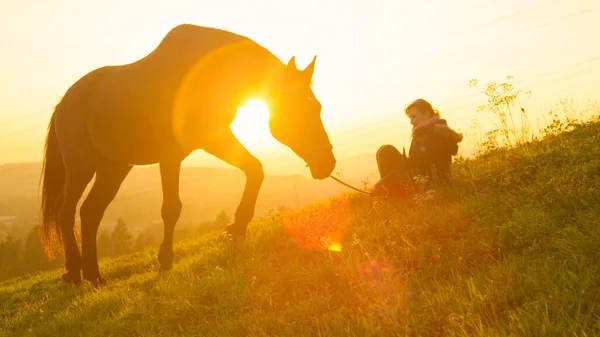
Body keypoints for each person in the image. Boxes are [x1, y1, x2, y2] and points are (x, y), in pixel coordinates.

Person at [371, 98, 463, 196]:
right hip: (420, 178)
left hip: (429, 184)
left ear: (427, 113)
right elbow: (415, 162)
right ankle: (390, 194)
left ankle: (394, 197)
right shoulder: (425, 131)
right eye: (410, 118)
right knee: (384, 150)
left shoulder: (436, 133)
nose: (411, 121)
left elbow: (414, 162)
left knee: (387, 151)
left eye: (414, 117)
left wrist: (380, 183)